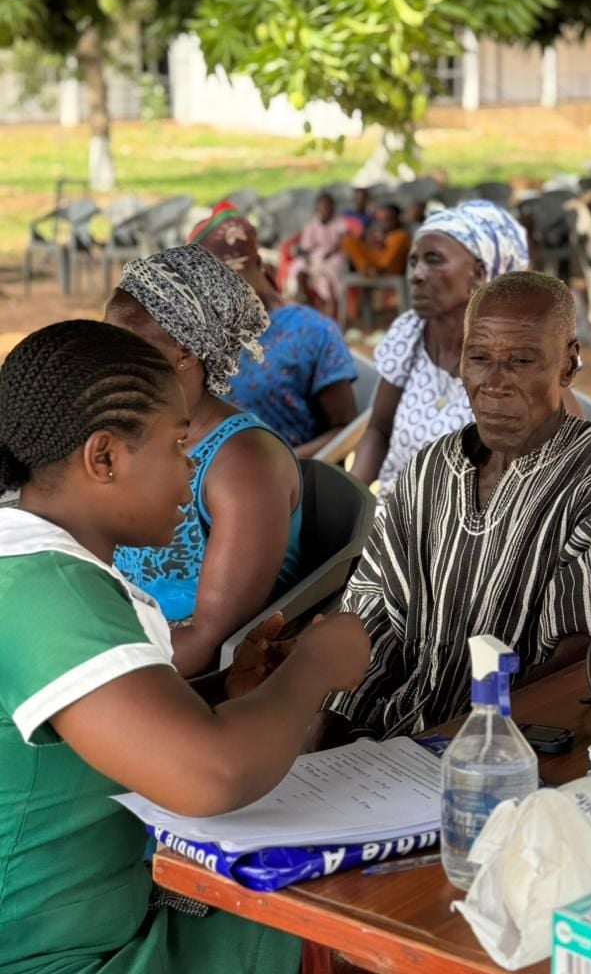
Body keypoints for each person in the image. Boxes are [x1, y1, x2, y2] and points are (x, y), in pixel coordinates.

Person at [0, 319, 370, 973]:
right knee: (362, 930)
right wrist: (314, 667)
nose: (192, 467)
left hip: (96, 921)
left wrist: (231, 703)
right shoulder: (45, 585)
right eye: (178, 446)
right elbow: (211, 774)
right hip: (60, 958)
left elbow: (122, 731)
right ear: (105, 457)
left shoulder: (35, 560)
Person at [316, 272, 591, 742]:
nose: (494, 384)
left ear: (568, 366)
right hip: (398, 745)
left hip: (527, 757)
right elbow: (373, 615)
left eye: (522, 360)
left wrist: (461, 750)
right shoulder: (428, 472)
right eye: (479, 358)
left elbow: (590, 677)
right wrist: (327, 729)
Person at [106, 244, 303, 676]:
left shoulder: (244, 462)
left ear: (186, 352)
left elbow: (209, 639)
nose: (107, 359)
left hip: (178, 680)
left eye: (127, 343)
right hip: (114, 642)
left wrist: (88, 677)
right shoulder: (131, 430)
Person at [351, 200, 578, 505]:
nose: (416, 275)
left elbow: (574, 462)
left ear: (479, 274)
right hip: (392, 515)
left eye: (433, 260)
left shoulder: (526, 359)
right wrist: (349, 503)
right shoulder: (410, 334)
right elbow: (379, 430)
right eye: (414, 261)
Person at [190, 202, 358, 457]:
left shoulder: (312, 331)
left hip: (294, 482)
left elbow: (345, 430)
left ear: (260, 266)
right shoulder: (199, 338)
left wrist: (280, 467)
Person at [290, 192, 347, 318]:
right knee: (299, 268)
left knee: (327, 275)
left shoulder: (340, 225)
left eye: (328, 206)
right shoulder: (311, 226)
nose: (325, 209)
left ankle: (329, 314)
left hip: (333, 258)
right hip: (314, 258)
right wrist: (304, 255)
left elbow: (343, 244)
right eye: (322, 206)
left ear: (333, 208)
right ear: (317, 209)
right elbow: (306, 248)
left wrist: (329, 253)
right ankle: (303, 301)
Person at [342, 203, 412, 276]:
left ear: (397, 219)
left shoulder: (402, 235)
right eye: (383, 218)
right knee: (348, 241)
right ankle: (367, 269)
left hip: (389, 269)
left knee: (400, 237)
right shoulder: (375, 232)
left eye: (389, 218)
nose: (385, 221)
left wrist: (386, 240)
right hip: (372, 266)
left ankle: (377, 270)